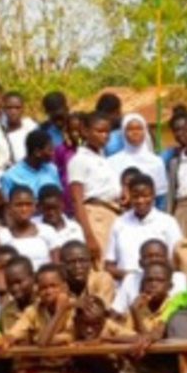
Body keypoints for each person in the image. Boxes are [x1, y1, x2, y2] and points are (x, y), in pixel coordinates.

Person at [105, 173, 182, 281]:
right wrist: (131, 277)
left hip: (160, 284)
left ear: (154, 194)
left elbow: (176, 262)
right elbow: (109, 265)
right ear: (129, 196)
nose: (141, 201)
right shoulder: (119, 223)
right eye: (136, 197)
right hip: (125, 285)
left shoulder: (168, 223)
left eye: (145, 196)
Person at [68, 112, 121, 264]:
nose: (104, 136)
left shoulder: (103, 159)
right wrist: (88, 236)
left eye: (107, 132)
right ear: (85, 131)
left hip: (112, 213)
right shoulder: (79, 160)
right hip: (95, 217)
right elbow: (77, 200)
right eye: (99, 131)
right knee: (100, 263)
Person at [0, 128, 60, 199]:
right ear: (37, 152)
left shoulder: (52, 169)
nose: (53, 153)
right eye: (50, 150)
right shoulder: (10, 177)